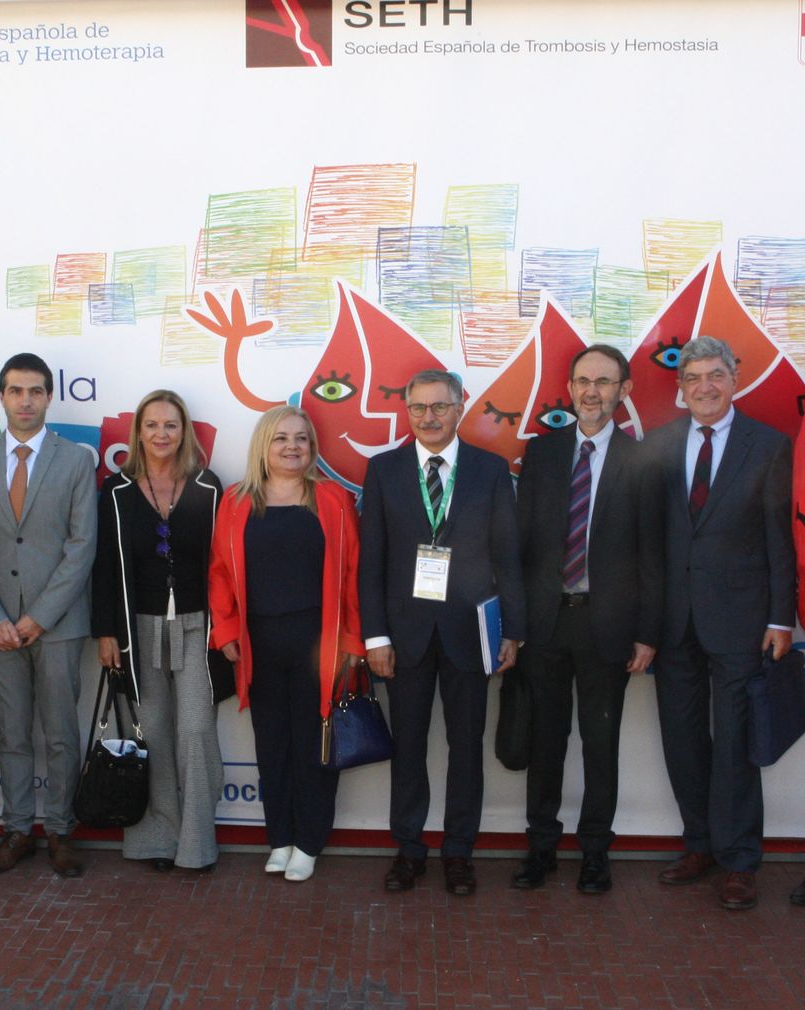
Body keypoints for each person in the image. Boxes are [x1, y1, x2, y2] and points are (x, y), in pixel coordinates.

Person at [359, 369, 525, 897]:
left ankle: (459, 852)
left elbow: (508, 556)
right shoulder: (382, 470)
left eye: (439, 407)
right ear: (406, 411)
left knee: (465, 747)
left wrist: (512, 630)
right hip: (403, 636)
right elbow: (372, 561)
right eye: (418, 408)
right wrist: (375, 637)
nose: (428, 418)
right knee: (407, 746)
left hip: (469, 633)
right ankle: (409, 850)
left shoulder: (490, 470)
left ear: (459, 408)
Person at [646, 335, 796, 911]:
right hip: (673, 620)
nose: (705, 387)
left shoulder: (768, 445)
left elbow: (779, 538)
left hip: (742, 618)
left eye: (716, 375)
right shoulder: (658, 445)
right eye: (693, 378)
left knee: (735, 743)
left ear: (736, 378)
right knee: (682, 738)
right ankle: (699, 843)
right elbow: (650, 542)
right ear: (680, 389)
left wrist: (782, 617)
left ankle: (738, 859)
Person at [513, 345, 661, 894]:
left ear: (624, 390)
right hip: (546, 624)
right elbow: (521, 547)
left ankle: (596, 852)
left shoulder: (640, 461)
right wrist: (516, 626)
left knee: (601, 745)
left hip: (608, 625)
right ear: (569, 388)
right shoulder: (543, 454)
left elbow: (652, 556)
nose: (591, 392)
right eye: (581, 381)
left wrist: (647, 632)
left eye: (604, 381)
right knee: (545, 742)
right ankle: (540, 848)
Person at [209, 405, 362, 883]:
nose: (292, 446)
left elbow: (354, 574)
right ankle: (280, 838)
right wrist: (228, 631)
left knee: (315, 747)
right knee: (271, 744)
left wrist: (353, 640)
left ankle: (310, 841)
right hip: (261, 644)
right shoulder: (236, 502)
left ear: (312, 447)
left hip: (321, 644)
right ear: (263, 446)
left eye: (301, 438)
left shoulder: (333, 501)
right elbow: (219, 575)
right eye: (280, 438)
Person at [0, 353, 96, 879]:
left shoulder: (76, 460)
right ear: (1, 395)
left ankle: (60, 831)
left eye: (35, 391)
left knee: (60, 733)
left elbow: (82, 546)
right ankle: (16, 830)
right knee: (12, 734)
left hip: (57, 624)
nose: (25, 401)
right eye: (15, 390)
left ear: (49, 396)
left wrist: (39, 616)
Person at [92, 390, 226, 872]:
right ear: (139, 431)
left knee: (194, 730)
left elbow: (225, 566)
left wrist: (226, 629)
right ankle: (156, 839)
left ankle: (196, 843)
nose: (161, 434)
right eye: (152, 425)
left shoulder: (210, 487)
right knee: (154, 734)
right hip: (137, 628)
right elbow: (104, 566)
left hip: (196, 628)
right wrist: (107, 632)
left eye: (171, 425)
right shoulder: (115, 490)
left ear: (184, 430)